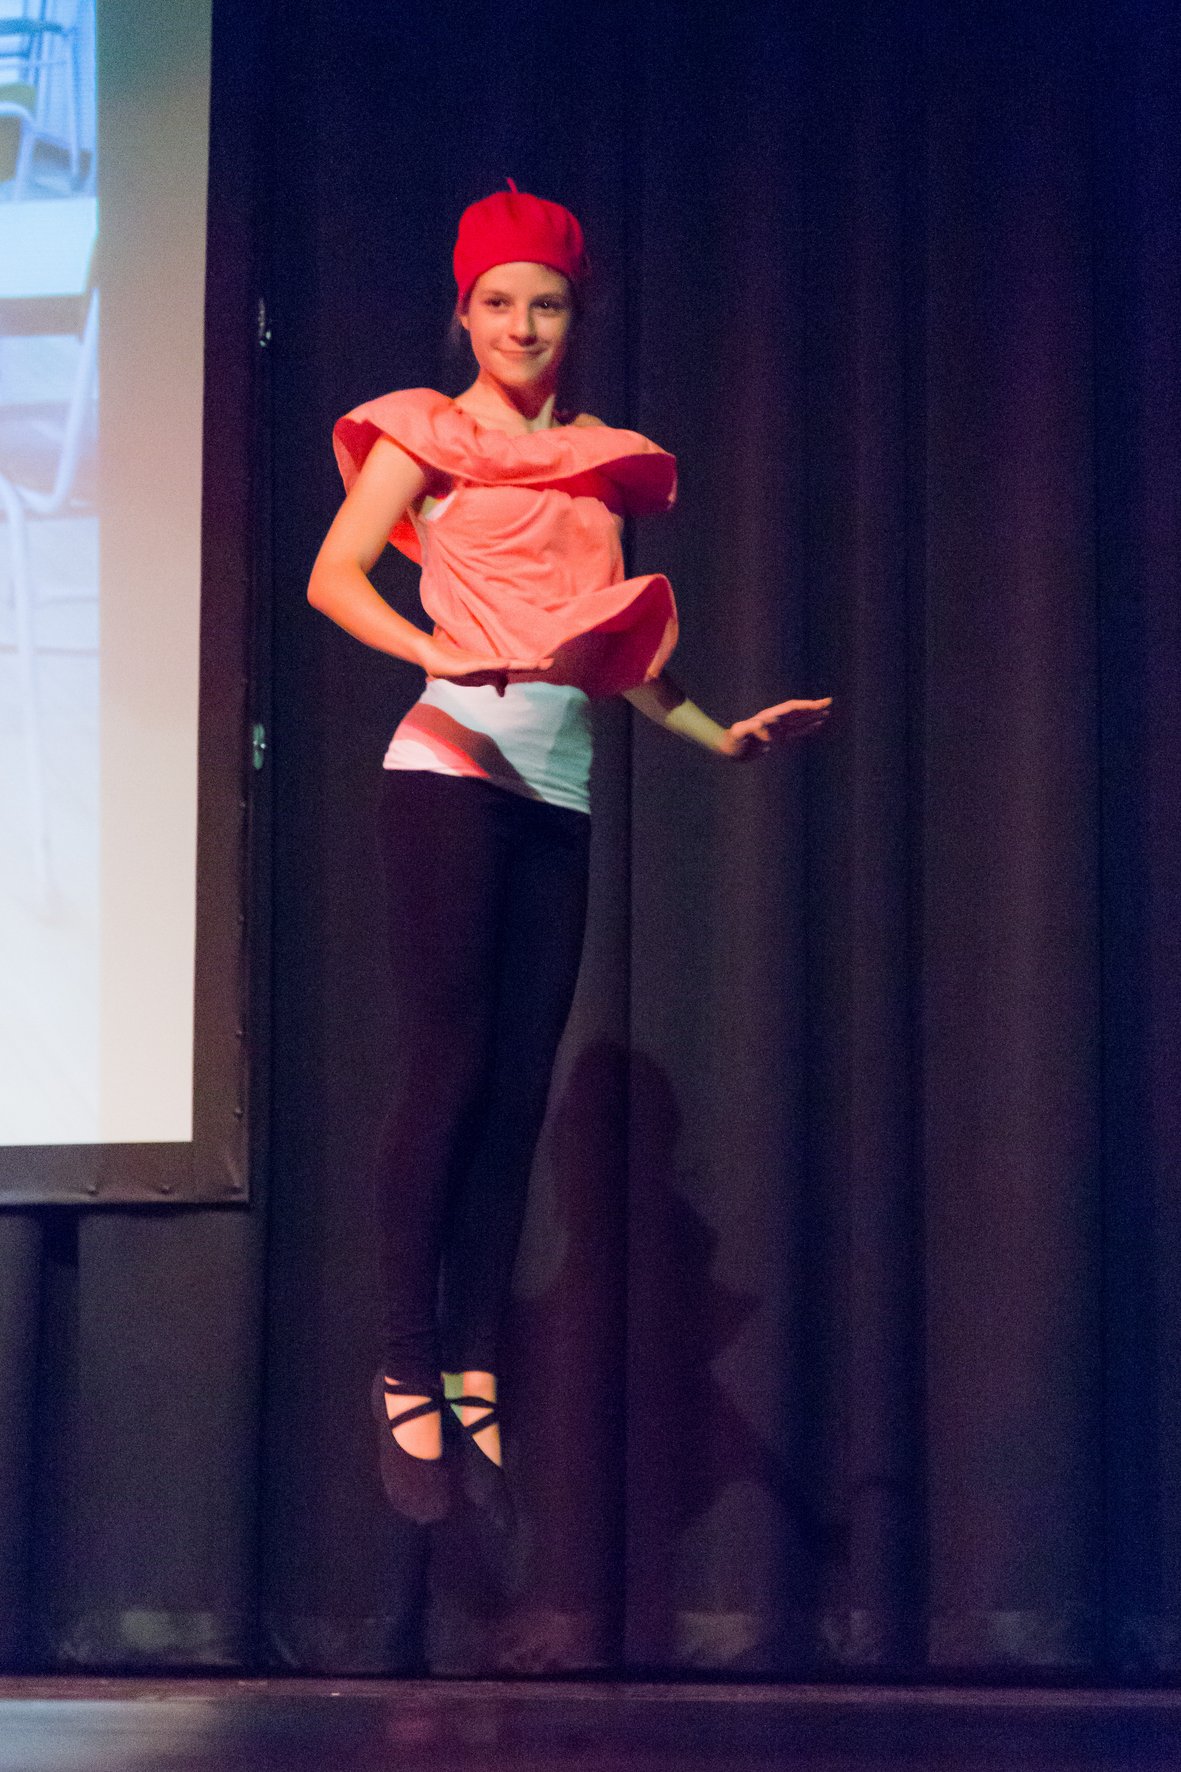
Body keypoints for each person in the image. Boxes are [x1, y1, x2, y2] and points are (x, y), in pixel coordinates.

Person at [307, 179, 831, 1527]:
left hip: (562, 786)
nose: (521, 326)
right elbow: (335, 575)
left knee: (517, 1088)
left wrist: (721, 737)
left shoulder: (598, 462)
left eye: (544, 304)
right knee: (449, 1065)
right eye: (498, 303)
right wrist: (434, 650)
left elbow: (620, 650)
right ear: (465, 311)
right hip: (448, 766)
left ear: (571, 316)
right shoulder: (425, 435)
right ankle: (403, 1362)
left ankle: (473, 1354)